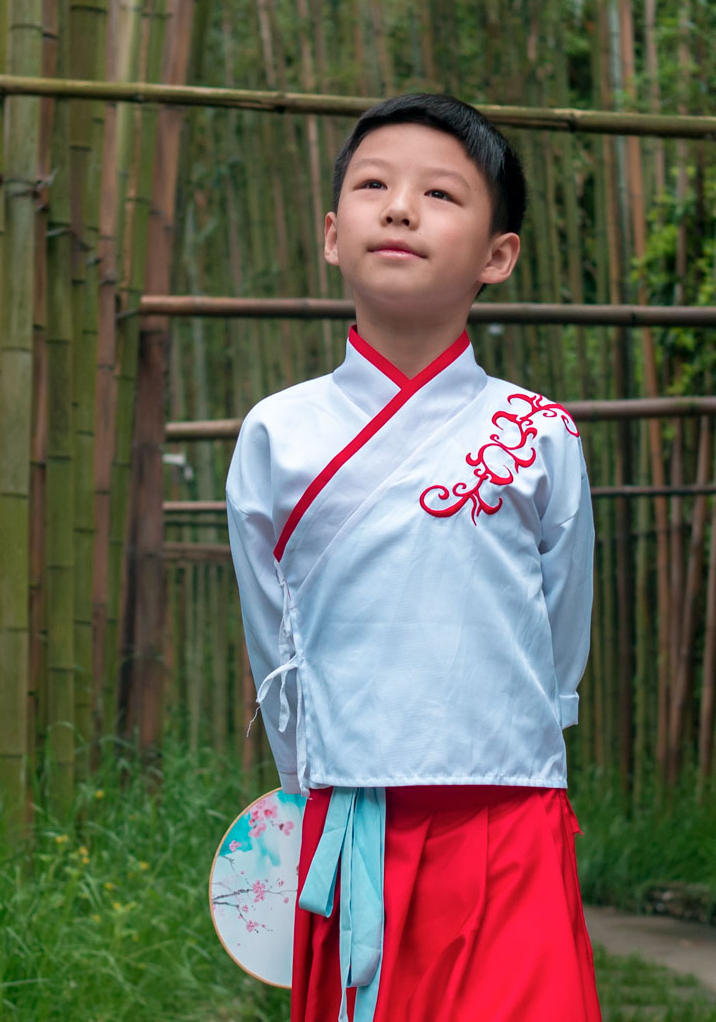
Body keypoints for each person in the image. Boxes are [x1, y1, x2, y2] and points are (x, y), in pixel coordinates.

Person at [224, 93, 600, 1022]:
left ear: (498, 255)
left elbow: (560, 640)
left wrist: (517, 734)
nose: (399, 209)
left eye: (439, 193)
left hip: (512, 813)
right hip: (354, 819)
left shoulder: (537, 433)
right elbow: (275, 647)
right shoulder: (277, 434)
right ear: (331, 234)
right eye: (372, 186)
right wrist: (309, 778)